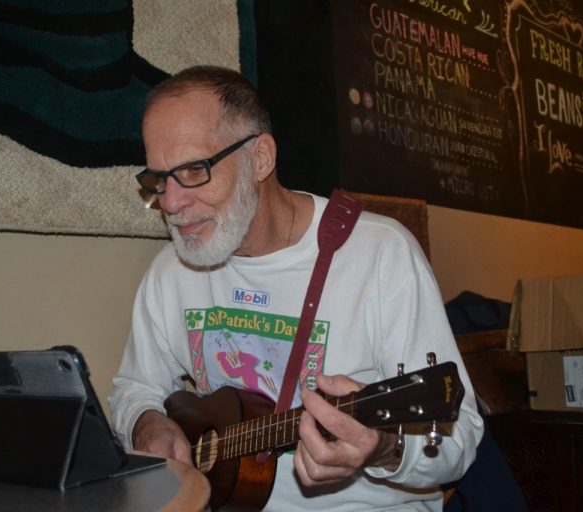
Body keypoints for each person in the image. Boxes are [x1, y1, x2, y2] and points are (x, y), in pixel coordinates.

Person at [109, 65, 484, 511]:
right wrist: (148, 423)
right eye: (158, 179)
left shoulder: (380, 256)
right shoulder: (172, 269)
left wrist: (385, 449)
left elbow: (459, 436)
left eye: (194, 170)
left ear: (261, 158)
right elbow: (133, 386)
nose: (171, 203)